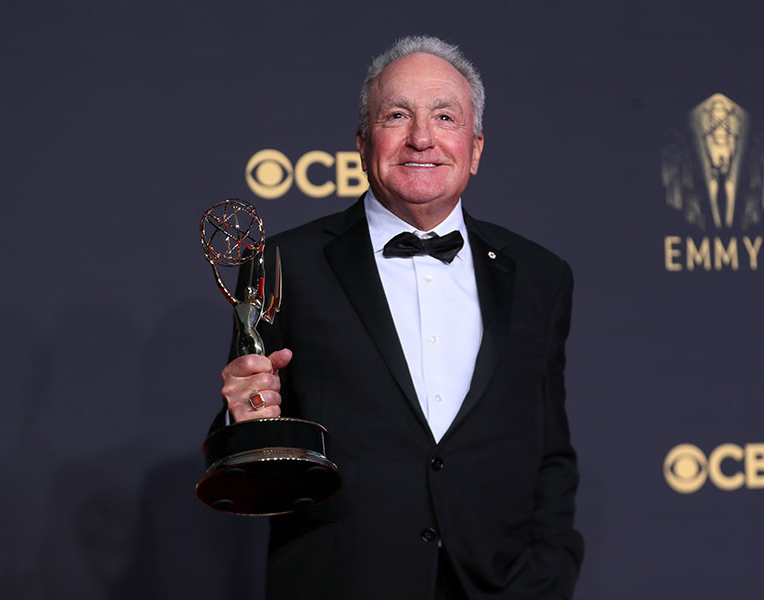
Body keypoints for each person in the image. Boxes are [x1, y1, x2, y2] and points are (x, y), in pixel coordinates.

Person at [216, 35, 583, 599]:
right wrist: (242, 423)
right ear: (364, 145)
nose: (421, 138)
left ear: (476, 147)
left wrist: (549, 573)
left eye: (444, 116)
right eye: (397, 115)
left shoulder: (541, 276)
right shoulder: (283, 264)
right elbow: (253, 453)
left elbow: (549, 453)